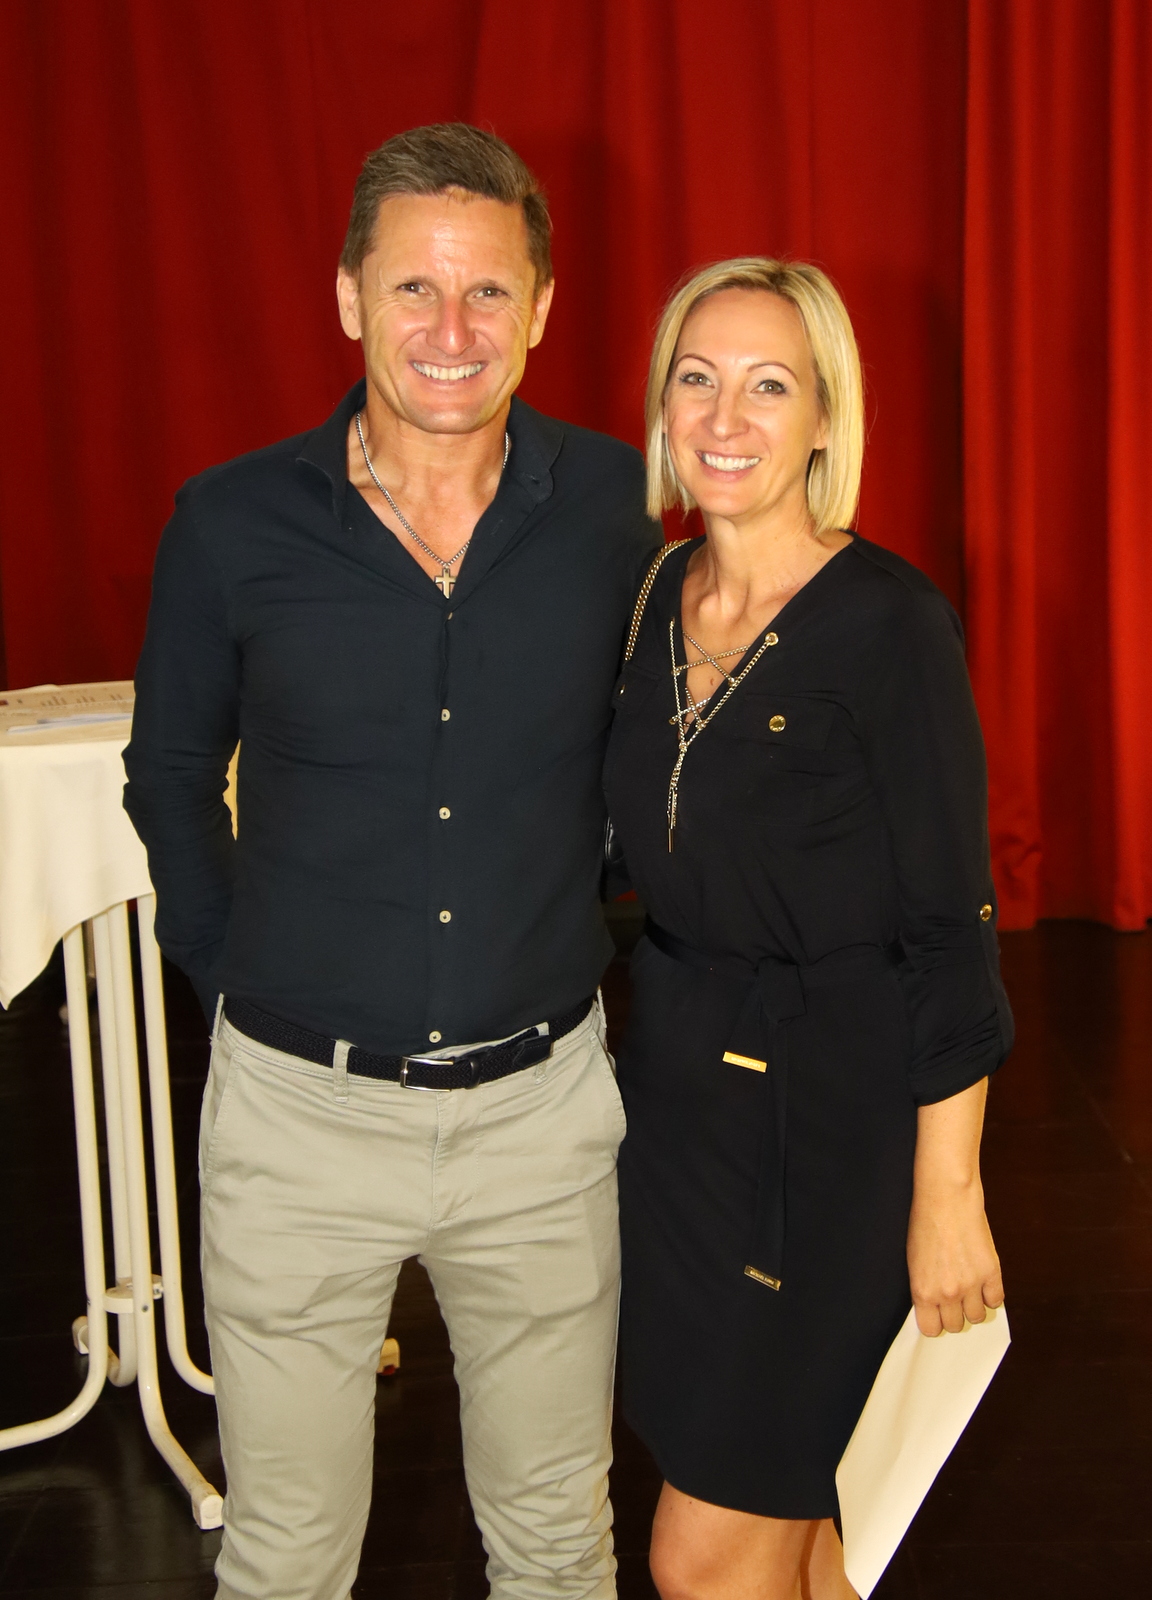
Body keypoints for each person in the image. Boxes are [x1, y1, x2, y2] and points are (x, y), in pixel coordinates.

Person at [124, 123, 660, 1600]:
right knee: (288, 1559)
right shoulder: (230, 524)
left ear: (542, 309)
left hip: (541, 1121)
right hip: (296, 1128)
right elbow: (170, 775)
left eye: (489, 292)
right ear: (349, 297)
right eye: (414, 287)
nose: (451, 330)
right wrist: (236, 975)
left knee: (559, 1548)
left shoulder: (618, 510)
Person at [603, 258, 1013, 1600]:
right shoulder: (656, 596)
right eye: (698, 378)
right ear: (663, 406)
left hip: (828, 1133)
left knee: (703, 1557)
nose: (725, 418)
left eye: (769, 386)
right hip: (673, 1113)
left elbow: (951, 930)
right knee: (804, 1533)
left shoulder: (891, 625)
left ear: (827, 419)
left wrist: (947, 1200)